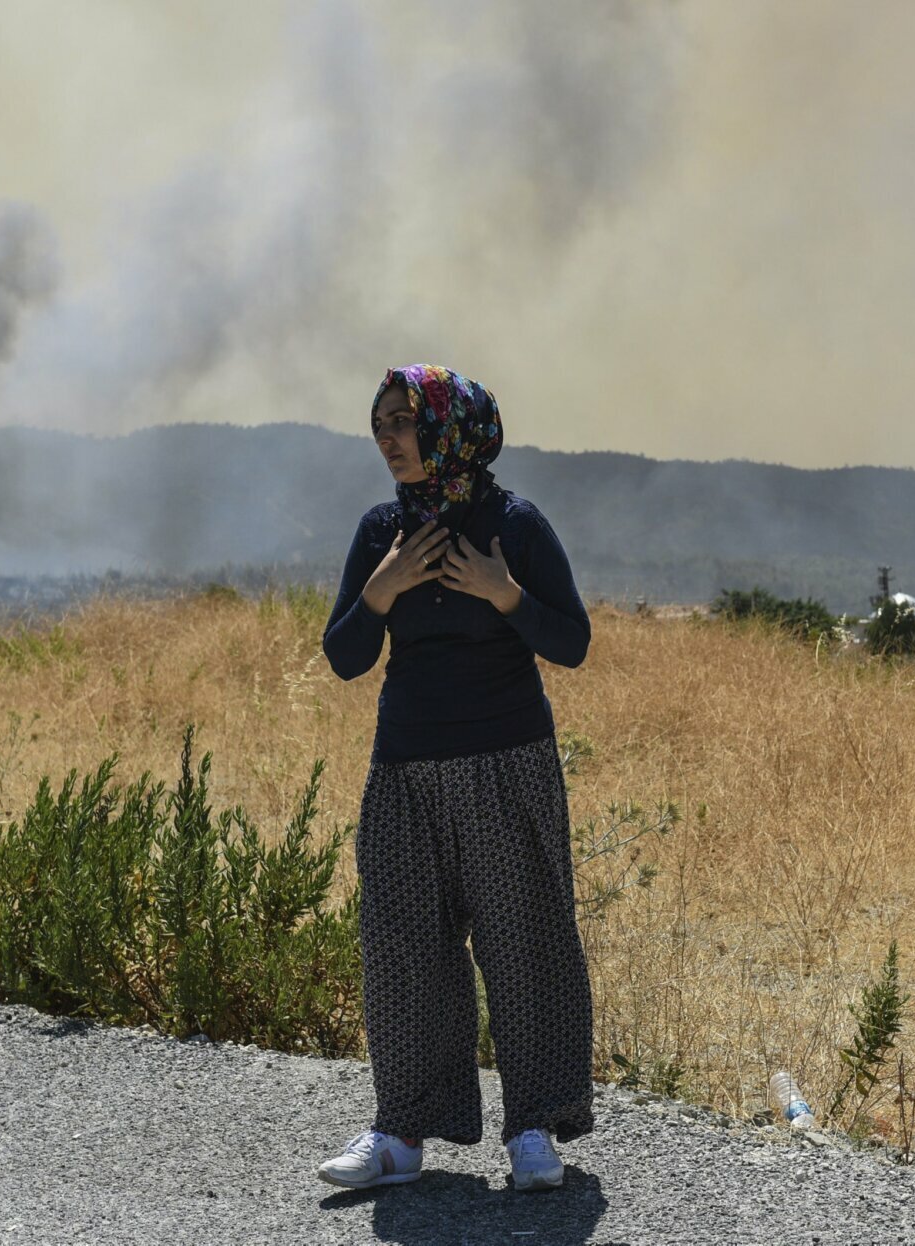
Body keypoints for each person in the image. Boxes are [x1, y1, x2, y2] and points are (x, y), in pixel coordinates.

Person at [316, 364, 594, 1194]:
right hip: (403, 770)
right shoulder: (381, 531)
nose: (389, 440)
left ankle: (533, 1130)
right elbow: (344, 657)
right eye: (380, 426)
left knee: (524, 945)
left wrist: (504, 595)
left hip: (507, 762)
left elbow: (572, 642)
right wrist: (380, 591)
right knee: (403, 952)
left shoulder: (514, 524)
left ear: (450, 428)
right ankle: (401, 1135)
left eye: (403, 422)